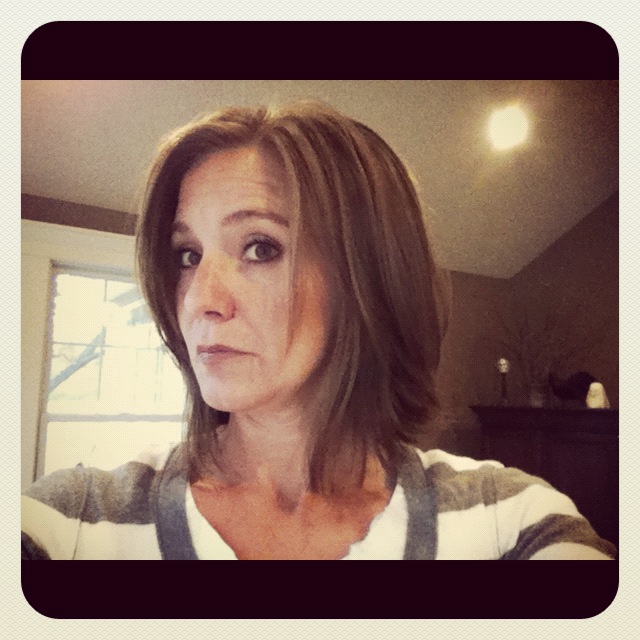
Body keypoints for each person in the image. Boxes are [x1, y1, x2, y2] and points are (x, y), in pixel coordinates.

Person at [22, 101, 616, 560]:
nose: (200, 299)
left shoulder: (508, 521)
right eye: (187, 255)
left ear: (369, 277)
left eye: (260, 248)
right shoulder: (76, 523)